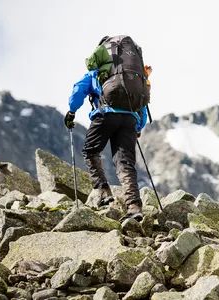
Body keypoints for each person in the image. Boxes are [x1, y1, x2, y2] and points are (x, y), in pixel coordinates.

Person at [64, 36, 150, 222]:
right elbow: (142, 104)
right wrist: (137, 127)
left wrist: (71, 112)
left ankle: (104, 192)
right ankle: (134, 207)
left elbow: (79, 90)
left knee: (90, 151)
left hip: (106, 114)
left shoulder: (98, 72)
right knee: (125, 164)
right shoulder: (133, 75)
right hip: (129, 118)